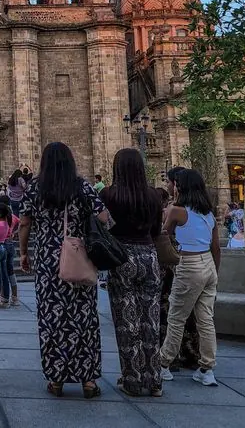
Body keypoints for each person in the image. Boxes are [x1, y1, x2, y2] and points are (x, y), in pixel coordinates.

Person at [19, 142, 107, 399]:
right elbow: (104, 217)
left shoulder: (36, 187)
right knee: (84, 320)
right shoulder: (82, 187)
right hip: (79, 258)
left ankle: (56, 380)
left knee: (52, 320)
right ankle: (88, 381)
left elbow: (24, 222)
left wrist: (24, 252)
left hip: (48, 262)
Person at [100, 148, 163, 398]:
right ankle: (155, 381)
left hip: (122, 258)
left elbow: (104, 228)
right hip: (149, 257)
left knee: (127, 322)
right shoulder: (153, 196)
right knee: (151, 320)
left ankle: (133, 379)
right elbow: (157, 231)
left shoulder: (109, 195)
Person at [159, 168, 220, 387]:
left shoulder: (176, 211)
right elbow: (216, 248)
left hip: (190, 264)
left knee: (176, 317)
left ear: (180, 187)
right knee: (206, 319)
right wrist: (215, 273)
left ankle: (163, 363)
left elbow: (163, 236)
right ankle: (207, 368)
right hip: (209, 266)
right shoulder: (209, 214)